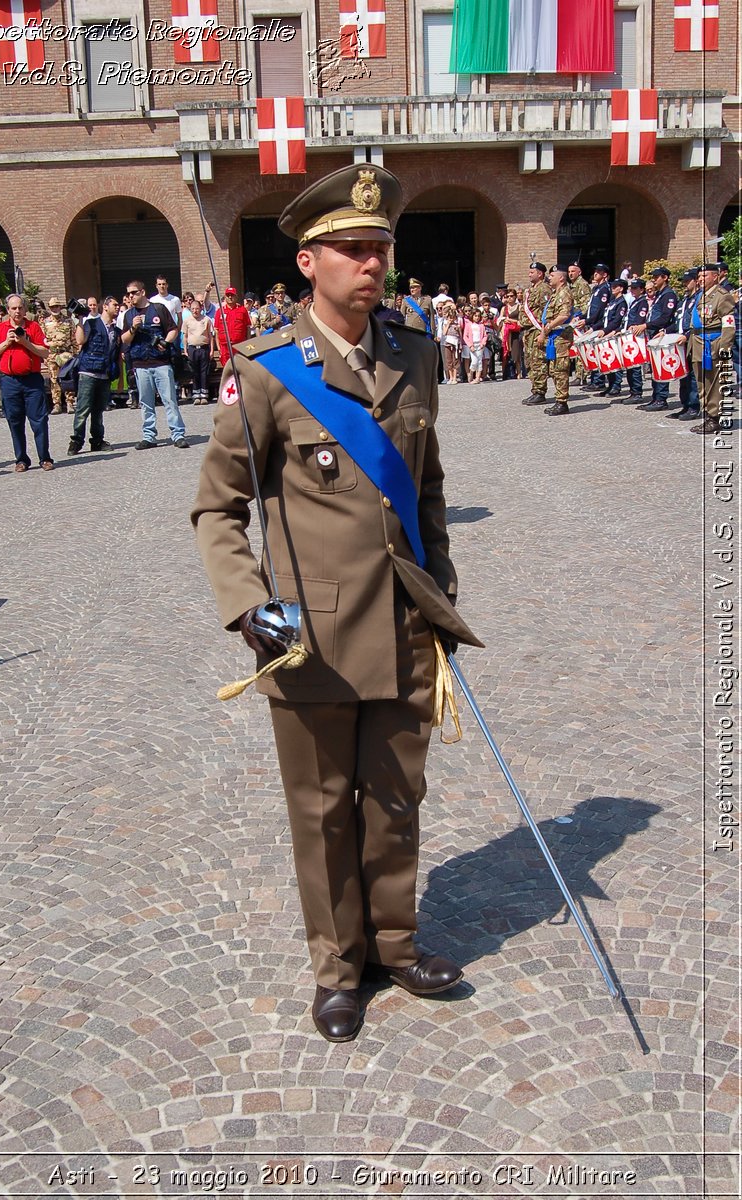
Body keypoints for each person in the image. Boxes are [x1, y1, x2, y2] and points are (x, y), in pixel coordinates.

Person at [191, 164, 481, 1043]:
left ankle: (395, 941)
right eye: (352, 249)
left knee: (395, 798)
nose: (372, 263)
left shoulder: (417, 356)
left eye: (380, 248)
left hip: (400, 624)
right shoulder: (271, 372)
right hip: (307, 636)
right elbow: (216, 506)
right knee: (322, 811)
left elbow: (426, 490)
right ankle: (338, 967)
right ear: (309, 263)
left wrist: (443, 591)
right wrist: (248, 608)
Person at [0, 293, 53, 472]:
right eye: (13, 308)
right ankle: (21, 459)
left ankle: (44, 457)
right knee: (14, 421)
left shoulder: (34, 327)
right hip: (9, 381)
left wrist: (25, 342)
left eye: (20, 308)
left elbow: (45, 352)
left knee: (39, 420)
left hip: (32, 381)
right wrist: (6, 343)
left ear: (25, 309)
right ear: (8, 310)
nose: (17, 311)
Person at [121, 280, 189, 449]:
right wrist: (133, 329)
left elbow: (173, 329)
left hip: (161, 363)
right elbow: (124, 340)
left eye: (134, 292)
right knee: (146, 402)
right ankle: (149, 436)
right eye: (128, 293)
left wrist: (166, 342)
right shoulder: (129, 315)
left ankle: (177, 434)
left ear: (142, 292)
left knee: (170, 400)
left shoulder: (158, 309)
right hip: (140, 365)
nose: (131, 296)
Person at [67, 295, 120, 455]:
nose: (118, 307)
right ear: (105, 306)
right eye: (115, 305)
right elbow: (80, 340)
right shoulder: (91, 323)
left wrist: (118, 378)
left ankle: (97, 440)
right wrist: (80, 320)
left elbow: (116, 355)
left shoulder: (115, 330)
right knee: (83, 409)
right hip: (88, 372)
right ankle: (76, 441)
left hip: (104, 374)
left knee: (98, 410)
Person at [689, 263, 737, 435]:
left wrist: (724, 347)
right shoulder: (700, 295)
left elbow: (729, 325)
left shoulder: (722, 296)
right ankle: (707, 414)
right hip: (697, 343)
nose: (701, 280)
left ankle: (714, 417)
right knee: (702, 382)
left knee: (713, 383)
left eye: (705, 276)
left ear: (715, 277)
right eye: (700, 277)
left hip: (713, 344)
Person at [637, 266, 678, 413]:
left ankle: (661, 399)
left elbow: (666, 317)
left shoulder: (669, 295)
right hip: (654, 334)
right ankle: (656, 398)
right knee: (655, 369)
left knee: (661, 368)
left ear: (665, 277)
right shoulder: (660, 294)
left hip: (661, 334)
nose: (654, 280)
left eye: (657, 277)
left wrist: (646, 325)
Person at [535, 266, 574, 416]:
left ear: (561, 278)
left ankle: (562, 402)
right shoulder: (555, 293)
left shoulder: (564, 293)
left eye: (552, 275)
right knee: (554, 370)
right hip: (553, 337)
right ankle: (559, 400)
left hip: (561, 336)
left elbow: (564, 315)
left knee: (560, 370)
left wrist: (549, 327)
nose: (549, 278)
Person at [669, 268, 700, 421]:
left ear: (696, 281)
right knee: (683, 375)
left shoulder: (699, 299)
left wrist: (687, 336)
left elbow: (697, 324)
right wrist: (665, 331)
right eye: (684, 281)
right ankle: (685, 405)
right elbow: (678, 321)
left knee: (692, 376)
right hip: (680, 341)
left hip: (692, 341)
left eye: (688, 281)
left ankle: (694, 407)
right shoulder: (684, 300)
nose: (685, 284)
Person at [519, 262, 552, 406]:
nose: (529, 274)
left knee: (538, 362)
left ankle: (540, 392)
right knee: (530, 362)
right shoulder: (531, 289)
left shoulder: (544, 289)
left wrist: (543, 333)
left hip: (537, 330)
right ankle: (535, 390)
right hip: (528, 331)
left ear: (540, 274)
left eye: (532, 272)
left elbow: (547, 313)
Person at [40, 297, 78, 414]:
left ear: (60, 307)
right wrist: (44, 357)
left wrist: (76, 354)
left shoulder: (68, 321)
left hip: (66, 353)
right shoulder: (45, 322)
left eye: (56, 306)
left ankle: (70, 403)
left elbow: (74, 339)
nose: (55, 309)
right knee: (54, 380)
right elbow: (42, 340)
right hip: (52, 354)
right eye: (52, 307)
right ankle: (57, 404)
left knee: (67, 378)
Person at [594, 279, 628, 400]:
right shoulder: (613, 301)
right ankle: (611, 384)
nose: (612, 288)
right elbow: (605, 318)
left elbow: (617, 320)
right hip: (607, 332)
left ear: (621, 288)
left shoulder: (622, 303)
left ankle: (616, 386)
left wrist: (606, 330)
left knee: (615, 361)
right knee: (608, 361)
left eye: (615, 286)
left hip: (612, 334)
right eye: (612, 285)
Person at [621, 278, 649, 405]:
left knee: (635, 365)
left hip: (636, 336)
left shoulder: (643, 302)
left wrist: (634, 326)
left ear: (641, 290)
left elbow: (640, 318)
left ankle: (637, 392)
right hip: (629, 336)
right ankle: (633, 391)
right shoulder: (635, 302)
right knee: (630, 366)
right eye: (631, 288)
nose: (632, 290)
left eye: (635, 288)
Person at [183, 298, 213, 403]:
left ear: (201, 309)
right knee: (195, 372)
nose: (195, 311)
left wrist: (211, 350)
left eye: (197, 308)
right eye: (193, 309)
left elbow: (210, 336)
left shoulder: (206, 320)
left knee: (204, 372)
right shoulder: (187, 321)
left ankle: (204, 394)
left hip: (204, 348)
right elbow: (185, 336)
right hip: (192, 349)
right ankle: (196, 394)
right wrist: (186, 349)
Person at [213, 287, 252, 367]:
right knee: (227, 370)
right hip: (225, 347)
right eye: (228, 295)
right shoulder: (220, 311)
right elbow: (216, 330)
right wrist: (219, 348)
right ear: (225, 297)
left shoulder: (242, 310)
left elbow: (248, 328)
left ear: (236, 297)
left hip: (239, 346)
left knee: (240, 368)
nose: (230, 297)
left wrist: (247, 343)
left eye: (232, 295)